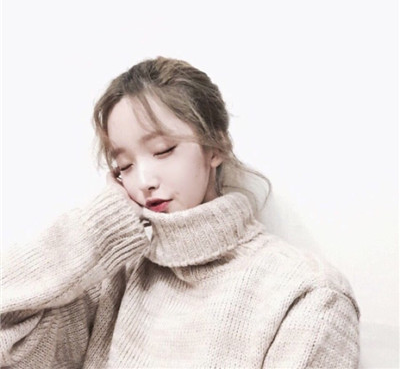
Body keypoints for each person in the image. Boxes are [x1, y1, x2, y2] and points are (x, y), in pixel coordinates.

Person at [1, 57, 360, 368]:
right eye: (124, 166)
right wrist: (100, 227)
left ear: (215, 146)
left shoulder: (307, 293)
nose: (143, 181)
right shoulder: (115, 278)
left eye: (163, 150)